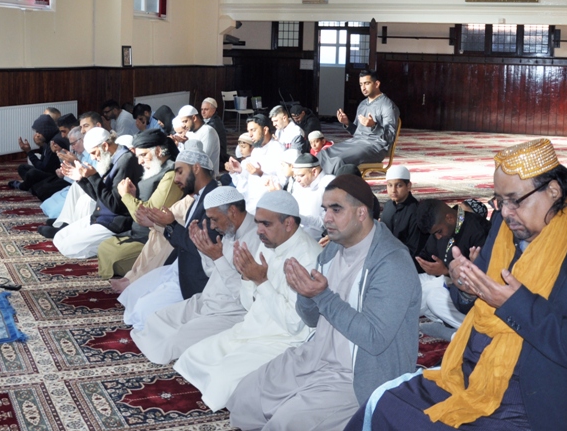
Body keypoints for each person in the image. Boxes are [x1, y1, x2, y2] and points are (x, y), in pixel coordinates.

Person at [348, 138, 567, 431]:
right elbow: (473, 302)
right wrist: (465, 285)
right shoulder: (504, 227)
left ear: (553, 191)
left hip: (535, 397)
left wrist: (517, 305)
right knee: (384, 403)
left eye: (515, 200)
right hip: (471, 374)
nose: (506, 212)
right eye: (500, 201)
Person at [228, 176, 421, 431]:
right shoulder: (333, 249)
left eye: (336, 209)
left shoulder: (392, 263)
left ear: (361, 213)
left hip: (359, 375)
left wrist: (322, 296)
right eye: (325, 209)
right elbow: (310, 319)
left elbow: (374, 338)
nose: (326, 218)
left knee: (286, 423)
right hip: (316, 357)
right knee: (245, 396)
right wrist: (305, 292)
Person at [173, 190, 322, 412]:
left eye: (265, 224)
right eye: (258, 222)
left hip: (282, 340)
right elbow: (249, 304)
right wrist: (246, 276)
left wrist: (261, 281)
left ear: (288, 223)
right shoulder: (268, 243)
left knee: (222, 378)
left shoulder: (309, 257)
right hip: (251, 328)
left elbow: (294, 324)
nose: (258, 230)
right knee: (192, 357)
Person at [131, 186, 260, 364]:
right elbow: (212, 273)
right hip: (205, 301)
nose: (212, 226)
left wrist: (218, 257)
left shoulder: (257, 239)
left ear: (232, 211)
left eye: (214, 219)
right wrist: (205, 252)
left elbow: (245, 296)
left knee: (174, 340)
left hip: (231, 312)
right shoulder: (230, 231)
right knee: (155, 320)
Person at [118, 141, 219, 328]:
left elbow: (200, 246)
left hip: (196, 275)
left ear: (196, 168)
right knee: (132, 297)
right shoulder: (199, 196)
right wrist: (165, 224)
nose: (176, 179)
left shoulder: (214, 200)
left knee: (142, 314)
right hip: (178, 266)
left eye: (180, 172)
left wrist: (170, 224)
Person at [96, 129, 182, 280]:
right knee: (105, 245)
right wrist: (133, 196)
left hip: (156, 238)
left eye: (143, 155)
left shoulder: (171, 175)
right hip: (139, 233)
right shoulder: (156, 170)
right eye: (138, 156)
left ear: (158, 151)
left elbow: (151, 214)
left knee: (116, 256)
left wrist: (127, 196)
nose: (140, 162)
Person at [49, 127, 143, 256]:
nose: (93, 158)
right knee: (59, 238)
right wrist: (81, 179)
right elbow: (100, 197)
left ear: (104, 146)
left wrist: (93, 177)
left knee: (67, 248)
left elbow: (115, 205)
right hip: (100, 217)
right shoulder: (111, 157)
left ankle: (110, 246)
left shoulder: (125, 162)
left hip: (115, 222)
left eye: (94, 153)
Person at [416, 199, 491, 333]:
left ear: (449, 218)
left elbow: (485, 278)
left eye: (439, 232)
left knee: (433, 298)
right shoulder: (442, 227)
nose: (438, 237)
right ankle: (446, 321)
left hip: (470, 295)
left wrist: (446, 272)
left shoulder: (477, 230)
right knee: (413, 284)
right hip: (444, 283)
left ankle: (474, 331)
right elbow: (426, 255)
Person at [317, 70, 399, 176]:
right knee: (323, 154)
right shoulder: (362, 104)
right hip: (356, 142)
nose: (363, 88)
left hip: (375, 147)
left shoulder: (387, 106)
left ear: (377, 84)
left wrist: (373, 126)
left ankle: (333, 184)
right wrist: (347, 123)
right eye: (361, 84)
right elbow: (357, 132)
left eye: (367, 83)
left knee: (339, 160)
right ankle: (317, 182)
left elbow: (390, 137)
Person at [378, 166, 427, 270]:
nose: (393, 190)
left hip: (407, 264)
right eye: (390, 185)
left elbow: (414, 248)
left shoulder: (416, 211)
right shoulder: (388, 206)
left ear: (408, 186)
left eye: (399, 185)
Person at [9, 114, 65, 201]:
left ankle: (23, 186)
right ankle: (33, 186)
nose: (37, 135)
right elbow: (42, 161)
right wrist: (35, 148)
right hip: (46, 172)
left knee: (32, 173)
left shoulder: (54, 142)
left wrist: (29, 152)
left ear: (46, 130)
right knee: (22, 168)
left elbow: (43, 168)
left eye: (39, 132)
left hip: (54, 176)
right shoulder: (48, 140)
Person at [289, 152, 334, 238]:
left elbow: (327, 223)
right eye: (295, 176)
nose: (297, 180)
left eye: (301, 175)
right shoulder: (298, 185)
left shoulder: (328, 184)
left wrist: (299, 218)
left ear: (314, 172)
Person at [171, 105, 220, 174]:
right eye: (182, 122)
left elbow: (202, 159)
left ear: (194, 118)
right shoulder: (189, 132)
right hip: (192, 172)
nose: (183, 125)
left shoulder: (208, 131)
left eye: (185, 121)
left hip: (206, 175)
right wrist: (181, 143)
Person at [201, 97, 230, 168]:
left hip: (219, 156)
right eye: (202, 109)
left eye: (206, 109)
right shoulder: (208, 120)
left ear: (213, 110)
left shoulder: (214, 124)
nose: (203, 112)